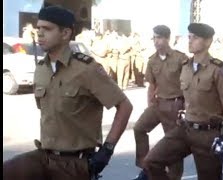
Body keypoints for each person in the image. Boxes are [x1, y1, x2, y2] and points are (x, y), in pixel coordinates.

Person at [3, 6, 133, 180]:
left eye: (47, 29)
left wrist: (107, 150)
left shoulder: (87, 69)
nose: (39, 33)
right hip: (45, 156)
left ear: (65, 34)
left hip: (74, 164)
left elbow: (125, 106)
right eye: (38, 28)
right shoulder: (41, 69)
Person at [142, 23, 223, 180]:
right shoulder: (185, 66)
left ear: (208, 41)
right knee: (152, 161)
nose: (190, 41)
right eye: (189, 37)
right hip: (185, 128)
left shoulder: (219, 69)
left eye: (195, 38)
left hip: (208, 134)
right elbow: (184, 94)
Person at [132, 25, 188, 180]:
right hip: (158, 104)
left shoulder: (180, 58)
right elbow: (152, 85)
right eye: (154, 37)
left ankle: (174, 176)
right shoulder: (152, 60)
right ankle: (146, 167)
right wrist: (150, 104)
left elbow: (189, 85)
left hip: (175, 105)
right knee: (139, 128)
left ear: (167, 39)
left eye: (159, 37)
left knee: (173, 144)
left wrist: (185, 108)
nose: (156, 41)